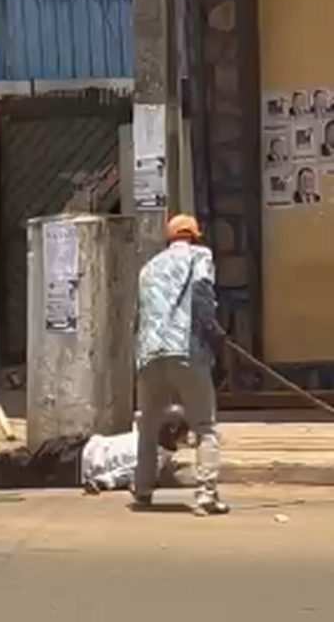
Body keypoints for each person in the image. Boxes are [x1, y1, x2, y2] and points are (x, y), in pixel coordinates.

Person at [134, 214, 229, 516]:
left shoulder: (147, 269)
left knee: (148, 428)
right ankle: (206, 496)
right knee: (205, 426)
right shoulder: (200, 256)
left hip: (149, 354)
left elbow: (138, 317)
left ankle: (143, 489)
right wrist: (214, 331)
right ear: (195, 237)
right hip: (185, 350)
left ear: (169, 239)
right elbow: (201, 294)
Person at [0, 406, 190, 494]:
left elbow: (126, 468)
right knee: (10, 472)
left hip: (76, 450)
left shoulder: (147, 442)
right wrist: (103, 482)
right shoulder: (153, 453)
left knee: (12, 465)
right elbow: (131, 473)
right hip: (74, 460)